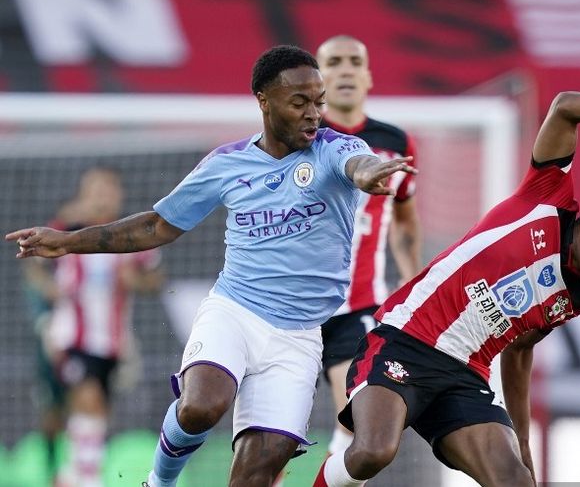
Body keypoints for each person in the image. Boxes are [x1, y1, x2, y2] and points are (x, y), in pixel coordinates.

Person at [6, 45, 416, 487]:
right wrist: (67, 242)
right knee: (203, 403)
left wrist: (369, 172)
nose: (313, 113)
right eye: (299, 102)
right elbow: (157, 225)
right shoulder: (227, 164)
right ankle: (158, 482)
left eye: (318, 101)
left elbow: (358, 163)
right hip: (234, 311)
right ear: (263, 99)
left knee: (261, 466)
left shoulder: (337, 149)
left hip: (299, 335)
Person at [311, 91, 580, 487]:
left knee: (516, 481)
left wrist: (523, 441)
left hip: (465, 376)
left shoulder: (579, 295)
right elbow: (566, 105)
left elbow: (520, 349)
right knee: (374, 451)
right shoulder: (547, 196)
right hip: (407, 339)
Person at [24, 167, 164, 487]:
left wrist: (136, 280)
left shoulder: (130, 237)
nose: (101, 196)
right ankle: (86, 479)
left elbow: (155, 279)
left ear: (119, 195)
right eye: (94, 189)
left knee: (93, 412)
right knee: (86, 400)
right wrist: (48, 288)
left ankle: (70, 474)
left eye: (107, 190)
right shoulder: (67, 231)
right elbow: (34, 266)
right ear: (84, 194)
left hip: (111, 343)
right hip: (68, 336)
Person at [316, 34, 422, 456]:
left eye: (354, 61)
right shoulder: (299, 136)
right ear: (318, 78)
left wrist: (414, 284)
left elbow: (405, 216)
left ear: (368, 76)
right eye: (335, 62)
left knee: (359, 429)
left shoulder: (395, 142)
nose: (345, 70)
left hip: (358, 307)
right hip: (292, 308)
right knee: (272, 438)